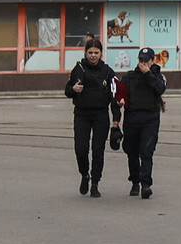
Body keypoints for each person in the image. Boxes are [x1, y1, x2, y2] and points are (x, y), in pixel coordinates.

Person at [63, 38, 120, 198]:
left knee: (98, 150)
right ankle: (84, 175)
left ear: (101, 53)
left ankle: (95, 182)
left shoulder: (107, 72)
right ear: (85, 53)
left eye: (96, 52)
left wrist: (116, 119)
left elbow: (115, 96)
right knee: (81, 149)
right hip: (82, 114)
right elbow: (67, 90)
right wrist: (73, 89)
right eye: (90, 53)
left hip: (100, 115)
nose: (93, 56)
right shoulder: (79, 69)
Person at [121, 47, 167, 200]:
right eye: (141, 60)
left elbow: (160, 89)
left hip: (150, 120)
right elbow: (120, 96)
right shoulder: (129, 77)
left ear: (152, 60)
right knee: (132, 151)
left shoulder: (158, 76)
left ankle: (145, 185)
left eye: (146, 60)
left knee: (146, 152)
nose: (143, 63)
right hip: (132, 119)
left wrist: (148, 74)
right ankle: (135, 180)